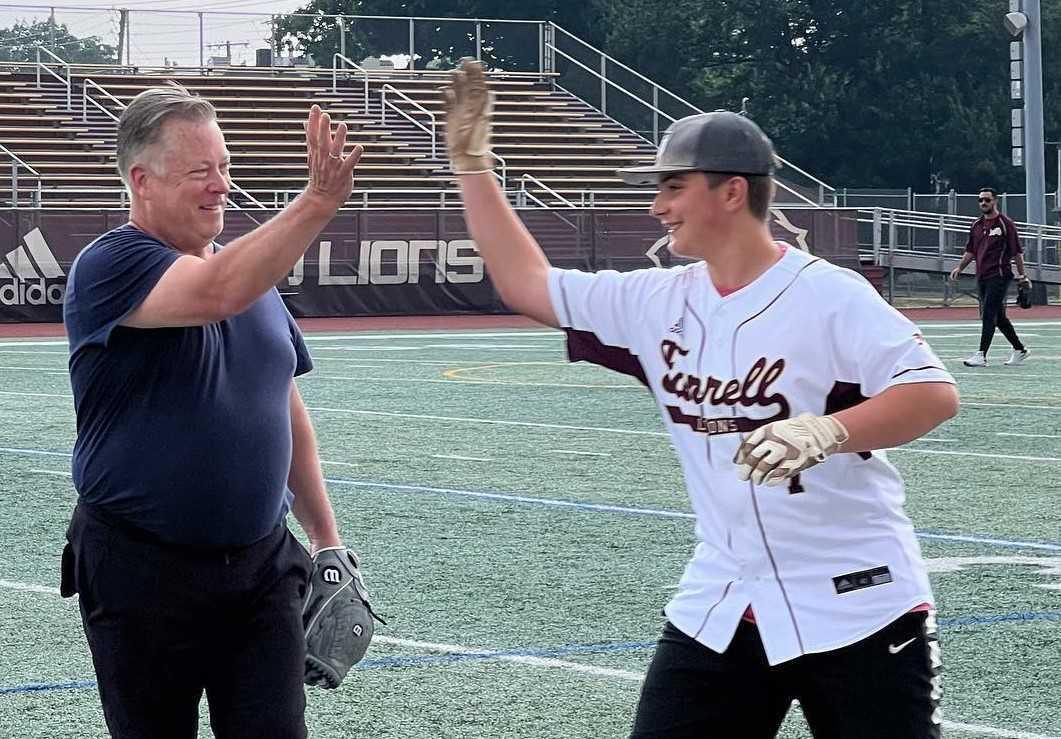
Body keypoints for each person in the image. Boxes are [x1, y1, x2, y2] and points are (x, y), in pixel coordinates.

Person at [443, 59, 959, 738]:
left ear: (731, 191)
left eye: (673, 187)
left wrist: (826, 431)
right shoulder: (655, 300)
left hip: (859, 600)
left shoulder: (827, 293)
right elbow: (526, 283)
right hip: (724, 596)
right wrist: (472, 166)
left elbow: (931, 392)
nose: (657, 206)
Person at [60, 84, 364, 739]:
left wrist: (326, 537)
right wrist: (316, 201)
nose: (221, 185)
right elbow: (215, 293)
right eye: (200, 170)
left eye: (225, 166)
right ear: (142, 181)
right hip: (142, 569)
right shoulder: (110, 264)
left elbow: (283, 405)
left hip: (261, 567)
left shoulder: (250, 276)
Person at [949, 187, 1030, 367]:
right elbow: (971, 250)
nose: (983, 203)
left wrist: (1022, 275)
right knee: (998, 317)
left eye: (987, 200)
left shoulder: (1005, 224)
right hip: (982, 275)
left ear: (995, 201)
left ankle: (981, 355)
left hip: (999, 275)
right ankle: (1020, 349)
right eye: (981, 200)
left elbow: (1017, 252)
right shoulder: (976, 225)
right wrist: (960, 267)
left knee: (988, 314)